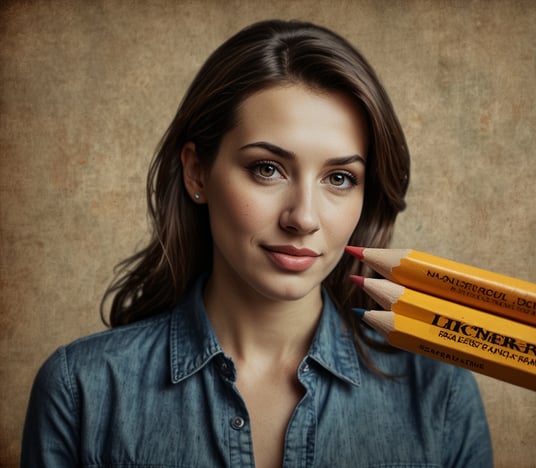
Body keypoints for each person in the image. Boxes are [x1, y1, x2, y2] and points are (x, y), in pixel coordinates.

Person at [21, 19, 493, 467]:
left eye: (340, 178)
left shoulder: (440, 395)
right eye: (267, 168)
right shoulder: (80, 389)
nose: (304, 218)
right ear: (196, 171)